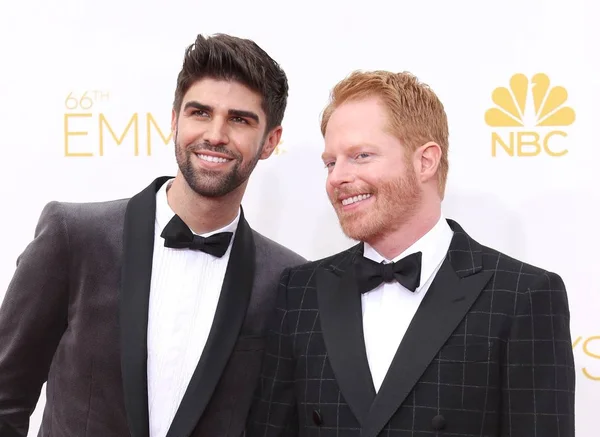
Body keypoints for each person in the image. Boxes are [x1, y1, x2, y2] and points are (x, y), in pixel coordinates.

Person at [0, 33, 305, 437]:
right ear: (175, 120)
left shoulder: (287, 279)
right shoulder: (74, 237)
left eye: (239, 119)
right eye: (200, 112)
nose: (215, 134)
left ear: (270, 141)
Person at [247, 70, 575, 436]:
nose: (337, 177)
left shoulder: (522, 295)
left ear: (425, 162)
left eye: (361, 155)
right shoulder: (300, 290)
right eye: (331, 162)